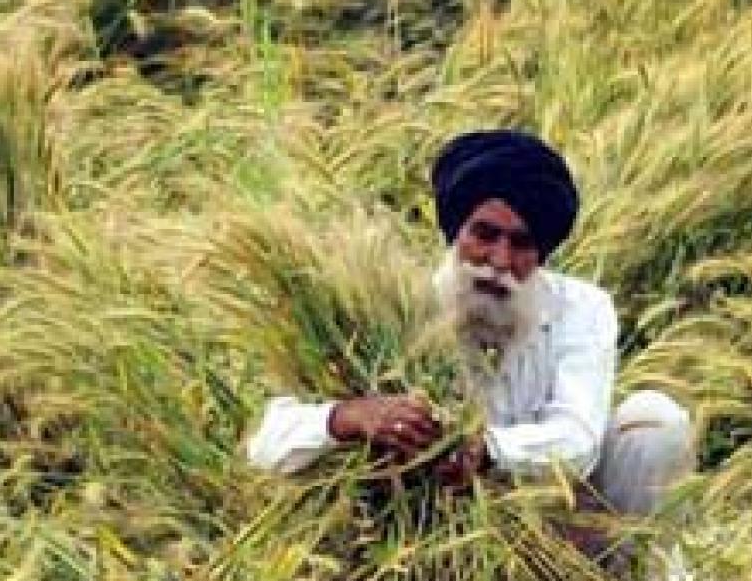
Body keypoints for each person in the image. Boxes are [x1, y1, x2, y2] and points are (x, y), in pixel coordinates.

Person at [245, 128, 693, 519]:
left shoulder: (582, 309)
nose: (498, 261)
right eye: (484, 235)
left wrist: (487, 451)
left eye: (521, 244)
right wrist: (349, 417)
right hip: (425, 534)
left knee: (654, 422)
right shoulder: (396, 305)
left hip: (559, 526)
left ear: (542, 253)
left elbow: (578, 442)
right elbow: (266, 443)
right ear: (455, 230)